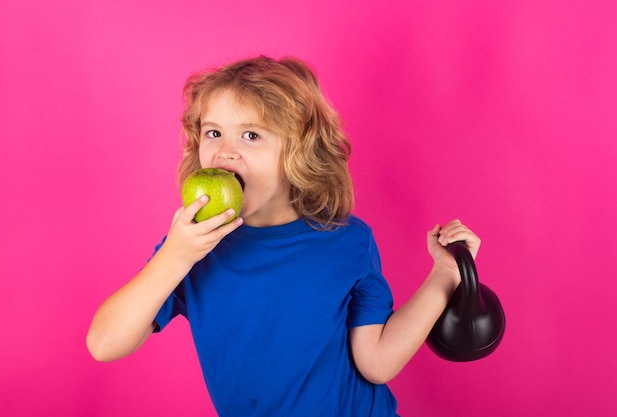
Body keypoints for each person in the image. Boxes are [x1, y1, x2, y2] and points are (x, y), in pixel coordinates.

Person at [86, 56, 481, 417]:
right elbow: (104, 344)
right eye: (213, 132)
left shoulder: (347, 241)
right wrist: (174, 256)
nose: (226, 152)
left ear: (297, 152)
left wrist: (445, 275)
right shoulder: (192, 247)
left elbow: (376, 362)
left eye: (251, 136)